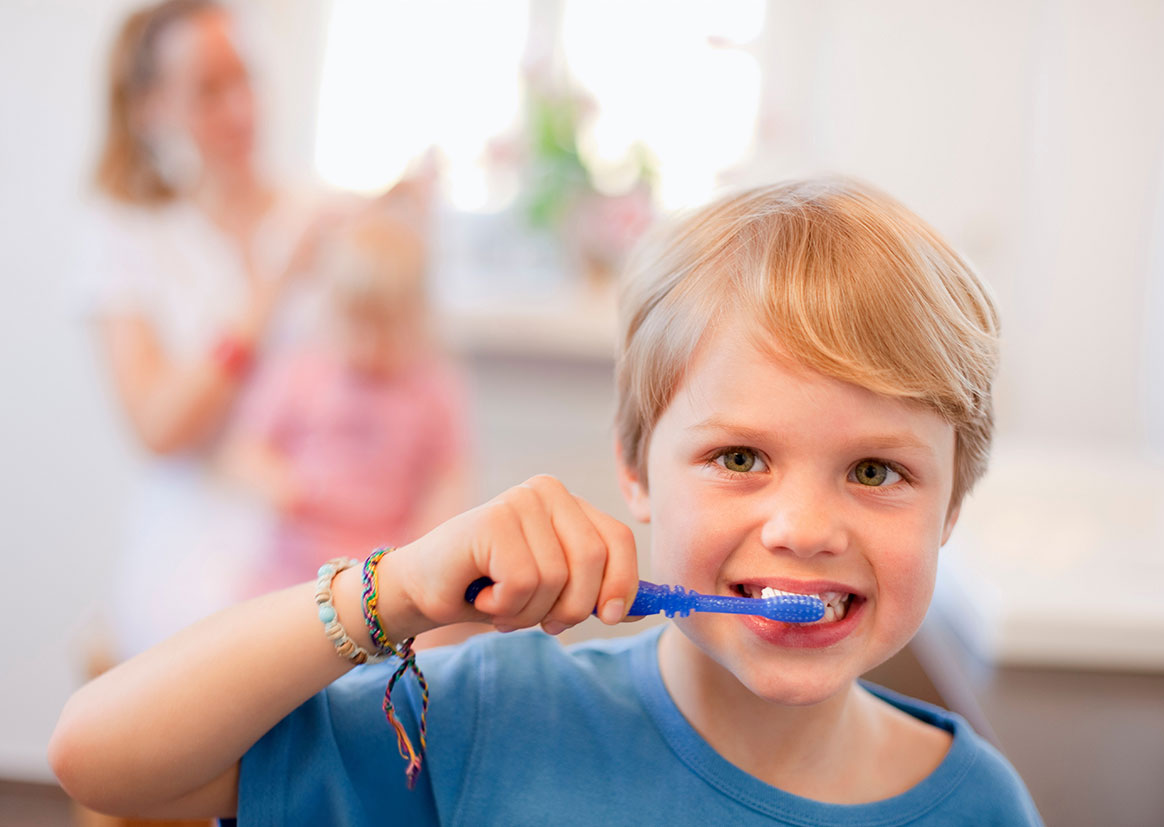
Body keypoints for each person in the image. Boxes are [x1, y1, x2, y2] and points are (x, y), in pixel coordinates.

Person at [50, 180, 1043, 824]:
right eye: (740, 455)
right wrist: (389, 591)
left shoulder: (982, 804)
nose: (804, 526)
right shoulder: (494, 715)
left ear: (953, 500)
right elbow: (102, 760)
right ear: (635, 468)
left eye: (876, 471)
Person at [82, 0, 326, 660]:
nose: (240, 108)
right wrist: (270, 292)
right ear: (150, 108)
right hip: (195, 552)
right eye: (208, 90)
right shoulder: (128, 237)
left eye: (244, 78)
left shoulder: (316, 212)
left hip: (323, 533)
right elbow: (161, 428)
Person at [222, 212, 472, 604]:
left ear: (418, 318)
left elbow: (448, 475)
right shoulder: (300, 371)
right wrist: (277, 483)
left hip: (383, 575)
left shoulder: (431, 387)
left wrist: (430, 542)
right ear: (329, 310)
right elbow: (243, 452)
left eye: (387, 328)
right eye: (357, 325)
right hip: (293, 572)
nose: (370, 344)